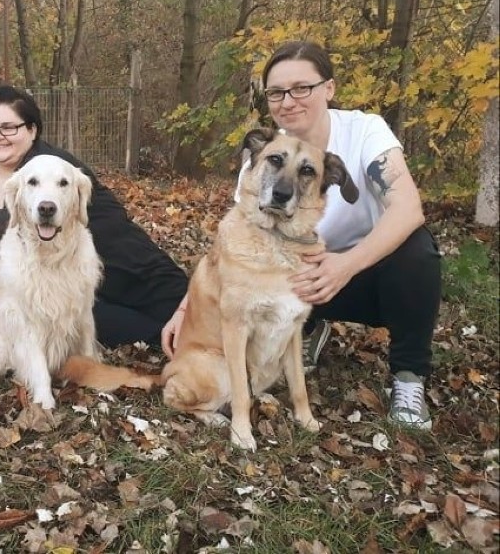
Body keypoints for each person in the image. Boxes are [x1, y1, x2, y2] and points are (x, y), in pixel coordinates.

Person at [161, 40, 441, 430]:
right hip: (301, 277)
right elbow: (228, 254)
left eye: (301, 88)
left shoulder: (365, 132)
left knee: (418, 252)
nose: (288, 101)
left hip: (362, 271)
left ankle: (408, 377)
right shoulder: (262, 161)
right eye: (276, 92)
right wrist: (184, 310)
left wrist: (345, 266)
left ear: (329, 88)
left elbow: (409, 208)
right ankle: (307, 326)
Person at [0, 85, 189, 347]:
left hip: (133, 272)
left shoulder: (57, 169)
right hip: (68, 295)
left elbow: (10, 221)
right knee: (137, 332)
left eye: (9, 127)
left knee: (193, 324)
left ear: (32, 129)